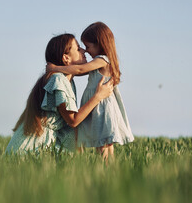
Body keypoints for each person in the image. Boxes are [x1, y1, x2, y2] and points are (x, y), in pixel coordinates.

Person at [5, 33, 113, 154]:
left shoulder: (67, 80)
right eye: (78, 48)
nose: (84, 51)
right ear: (66, 58)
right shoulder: (58, 79)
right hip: (31, 147)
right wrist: (98, 96)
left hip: (43, 143)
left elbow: (84, 70)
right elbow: (73, 121)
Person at [47, 22, 134, 160]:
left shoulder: (103, 60)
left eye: (88, 46)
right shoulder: (99, 62)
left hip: (102, 107)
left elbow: (80, 69)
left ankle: (108, 172)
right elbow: (79, 71)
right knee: (104, 144)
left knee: (104, 144)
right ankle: (108, 171)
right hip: (98, 106)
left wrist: (55, 68)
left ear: (99, 44)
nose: (86, 51)